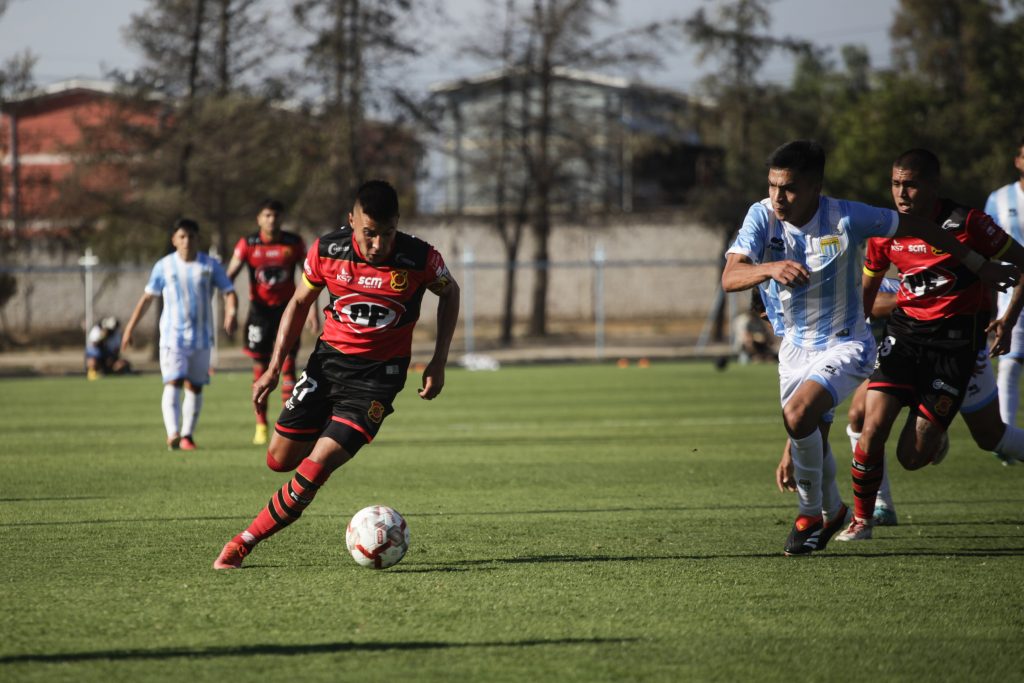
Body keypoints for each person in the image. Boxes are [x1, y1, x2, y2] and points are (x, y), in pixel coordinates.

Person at [723, 140, 1017, 557]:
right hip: (794, 348)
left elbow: (923, 228)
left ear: (814, 187)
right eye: (772, 186)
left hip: (846, 343)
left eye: (787, 188)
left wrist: (978, 265)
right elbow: (730, 277)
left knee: (803, 415)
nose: (778, 197)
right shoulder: (761, 215)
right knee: (808, 430)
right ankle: (832, 509)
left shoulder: (847, 215)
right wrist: (769, 268)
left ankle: (814, 515)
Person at [213, 180, 460, 569]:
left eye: (387, 233)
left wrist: (438, 360)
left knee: (317, 464)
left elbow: (450, 292)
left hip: (377, 381)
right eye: (369, 233)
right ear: (352, 221)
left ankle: (243, 542)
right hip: (326, 367)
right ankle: (329, 425)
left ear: (398, 223)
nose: (378, 244)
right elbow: (298, 303)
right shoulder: (328, 250)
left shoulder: (420, 259)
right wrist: (275, 367)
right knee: (279, 460)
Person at [836, 148, 1024, 542]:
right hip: (902, 340)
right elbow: (868, 292)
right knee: (870, 427)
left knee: (912, 457)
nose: (902, 193)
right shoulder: (885, 229)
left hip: (954, 351)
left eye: (912, 184)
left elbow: (1021, 262)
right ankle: (862, 521)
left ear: (934, 186)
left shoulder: (969, 223)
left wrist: (1007, 321)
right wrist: (854, 343)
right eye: (896, 184)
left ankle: (932, 436)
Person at [122, 218, 238, 451]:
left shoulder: (209, 266)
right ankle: (173, 433)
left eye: (191, 237)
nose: (187, 241)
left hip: (202, 338)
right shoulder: (164, 266)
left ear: (198, 239)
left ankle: (187, 435)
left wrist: (231, 312)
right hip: (172, 337)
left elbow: (229, 291)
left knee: (195, 387)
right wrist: (129, 328)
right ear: (174, 240)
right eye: (182, 237)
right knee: (173, 382)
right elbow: (147, 298)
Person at [225, 199, 317, 446]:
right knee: (260, 368)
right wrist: (230, 310)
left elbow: (312, 277)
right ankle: (261, 426)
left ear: (281, 218)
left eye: (275, 215)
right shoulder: (248, 244)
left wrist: (312, 311)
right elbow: (227, 279)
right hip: (259, 314)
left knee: (288, 366)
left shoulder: (293, 243)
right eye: (266, 215)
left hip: (287, 312)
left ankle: (284, 423)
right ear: (259, 218)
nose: (271, 220)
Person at [984, 136, 1024, 434]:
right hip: (1013, 288)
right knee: (1009, 361)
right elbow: (985, 246)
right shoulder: (999, 199)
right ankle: (1006, 435)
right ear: (1017, 161)